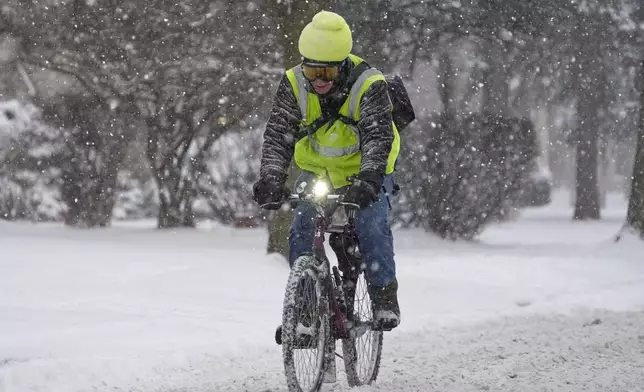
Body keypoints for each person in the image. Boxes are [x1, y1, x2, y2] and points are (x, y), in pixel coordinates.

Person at [252, 10, 401, 332]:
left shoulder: (368, 84)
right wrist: (271, 178)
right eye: (311, 70)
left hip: (367, 171)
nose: (318, 80)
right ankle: (305, 310)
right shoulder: (293, 83)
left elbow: (378, 138)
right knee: (303, 227)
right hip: (319, 171)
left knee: (371, 223)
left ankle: (384, 296)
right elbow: (279, 133)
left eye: (327, 71)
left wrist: (369, 179)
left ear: (343, 65)